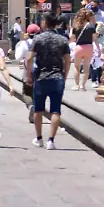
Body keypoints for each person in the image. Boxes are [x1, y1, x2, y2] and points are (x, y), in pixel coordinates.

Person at [26, 13, 72, 150]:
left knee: (38, 109)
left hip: (41, 77)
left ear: (45, 23)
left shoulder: (38, 38)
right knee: (56, 110)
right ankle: (51, 141)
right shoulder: (63, 40)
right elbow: (68, 61)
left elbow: (29, 58)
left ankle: (39, 138)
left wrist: (29, 75)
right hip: (57, 76)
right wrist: (64, 75)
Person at [69, 8, 98, 91]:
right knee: (86, 68)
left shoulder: (76, 26)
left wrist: (71, 30)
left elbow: (71, 39)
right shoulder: (91, 26)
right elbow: (95, 39)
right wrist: (98, 49)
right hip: (89, 47)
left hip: (79, 48)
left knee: (76, 67)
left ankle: (76, 85)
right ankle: (83, 85)